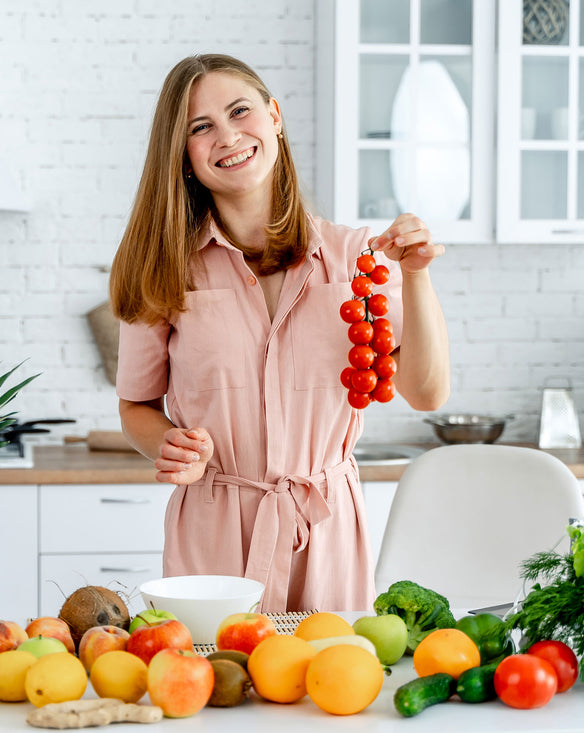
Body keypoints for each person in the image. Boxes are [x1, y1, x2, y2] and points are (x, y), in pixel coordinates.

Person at [108, 54, 449, 612]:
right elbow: (136, 407)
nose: (228, 136)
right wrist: (166, 443)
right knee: (216, 687)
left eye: (240, 111)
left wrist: (417, 276)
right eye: (201, 127)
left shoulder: (354, 258)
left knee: (327, 691)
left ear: (274, 116)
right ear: (184, 155)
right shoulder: (161, 266)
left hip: (328, 530)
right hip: (214, 536)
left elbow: (427, 392)